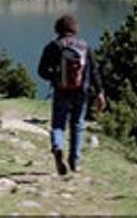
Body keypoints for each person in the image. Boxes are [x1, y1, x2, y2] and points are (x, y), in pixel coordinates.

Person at [38, 14, 106, 175]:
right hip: (81, 90)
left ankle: (57, 145)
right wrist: (100, 92)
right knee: (77, 124)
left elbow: (41, 71)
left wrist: (55, 78)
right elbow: (94, 70)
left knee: (58, 123)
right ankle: (74, 162)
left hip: (61, 89)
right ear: (75, 28)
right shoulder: (84, 46)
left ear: (58, 29)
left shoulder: (53, 46)